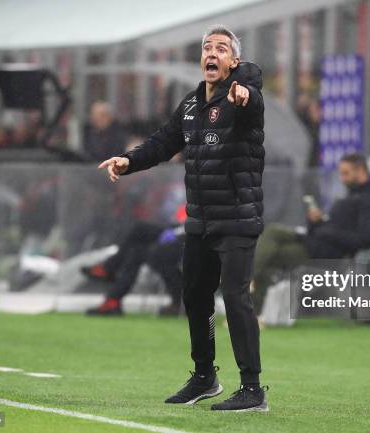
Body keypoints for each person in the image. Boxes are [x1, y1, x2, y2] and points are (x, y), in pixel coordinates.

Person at [98, 25, 268, 412]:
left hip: (238, 219)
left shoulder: (244, 99)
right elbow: (162, 142)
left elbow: (253, 93)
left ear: (234, 61)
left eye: (222, 48)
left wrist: (243, 90)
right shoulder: (191, 105)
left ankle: (253, 389)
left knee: (236, 297)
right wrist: (130, 161)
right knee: (194, 295)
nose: (212, 52)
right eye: (208, 47)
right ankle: (205, 376)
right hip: (200, 222)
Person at [252, 153, 370, 311]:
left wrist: (327, 231)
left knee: (268, 256)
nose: (342, 178)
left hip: (326, 253)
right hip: (315, 240)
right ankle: (246, 283)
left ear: (360, 171)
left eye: (346, 173)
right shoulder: (354, 194)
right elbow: (337, 225)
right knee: (272, 232)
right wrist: (317, 222)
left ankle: (245, 291)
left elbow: (366, 239)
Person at [83, 220, 185, 317]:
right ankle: (111, 296)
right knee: (138, 238)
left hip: (190, 237)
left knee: (141, 247)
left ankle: (110, 281)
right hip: (182, 232)